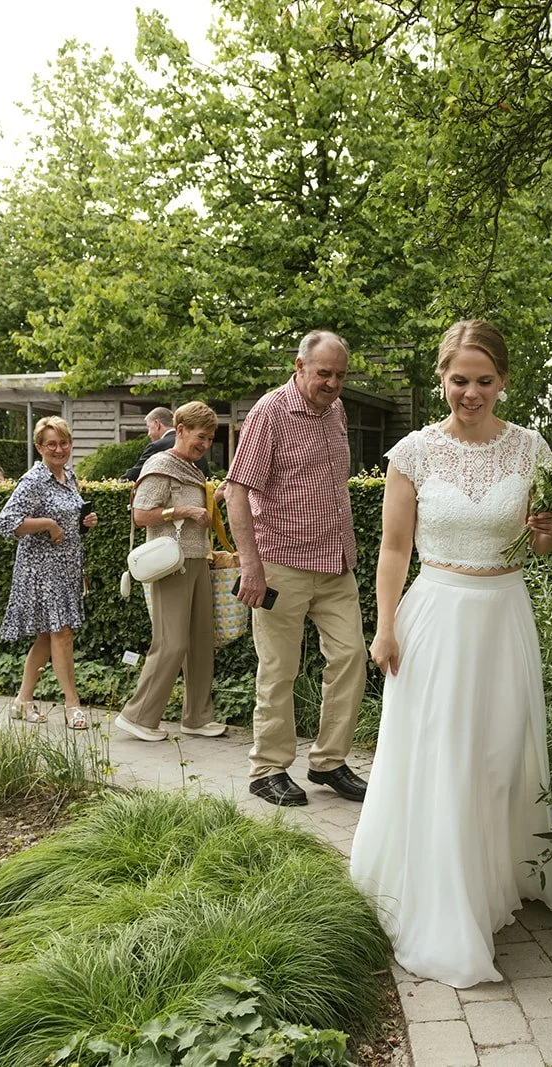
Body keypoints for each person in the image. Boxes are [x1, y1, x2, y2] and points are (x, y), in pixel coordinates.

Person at [348, 319, 552, 988]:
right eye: (457, 379)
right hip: (436, 615)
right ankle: (447, 907)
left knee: (499, 758)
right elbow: (392, 548)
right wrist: (384, 627)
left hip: (504, 615)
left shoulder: (532, 449)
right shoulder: (413, 452)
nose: (468, 392)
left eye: (482, 380)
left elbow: (541, 546)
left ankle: (491, 883)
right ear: (440, 378)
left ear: (502, 380)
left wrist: (549, 531)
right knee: (443, 758)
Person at [223, 330, 368, 806]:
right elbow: (237, 490)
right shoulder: (269, 413)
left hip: (335, 563)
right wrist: (251, 566)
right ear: (300, 366)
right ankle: (267, 770)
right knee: (280, 670)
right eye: (323, 373)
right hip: (280, 563)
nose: (332, 383)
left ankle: (328, 762)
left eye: (340, 375)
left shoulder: (337, 412)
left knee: (351, 658)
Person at [113, 401, 229, 742]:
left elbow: (199, 514)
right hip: (172, 564)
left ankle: (197, 717)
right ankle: (138, 716)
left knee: (200, 642)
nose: (206, 445)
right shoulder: (160, 464)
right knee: (172, 642)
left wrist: (215, 499)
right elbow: (141, 514)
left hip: (197, 559)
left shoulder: (193, 468)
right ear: (179, 430)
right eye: (201, 437)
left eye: (210, 439)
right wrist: (184, 510)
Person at [0, 416, 99, 730]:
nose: (58, 449)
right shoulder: (34, 480)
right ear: (39, 447)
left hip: (66, 568)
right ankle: (72, 705)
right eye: (51, 444)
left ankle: (22, 701)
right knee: (62, 634)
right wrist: (48, 525)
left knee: (47, 637)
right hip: (40, 570)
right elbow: (6, 522)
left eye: (63, 442)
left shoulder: (69, 475)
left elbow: (68, 519)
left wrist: (84, 522)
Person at [123, 407, 209, 481]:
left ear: (157, 424)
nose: (148, 434)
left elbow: (136, 474)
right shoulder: (195, 445)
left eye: (149, 427)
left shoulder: (157, 446)